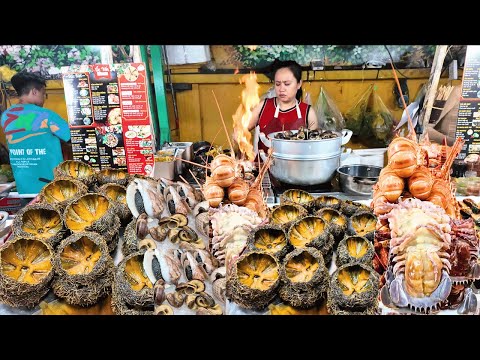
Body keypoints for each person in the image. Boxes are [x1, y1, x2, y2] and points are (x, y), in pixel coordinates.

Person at [0, 72, 71, 194]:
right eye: (43, 94)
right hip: (50, 187)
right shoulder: (46, 115)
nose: (44, 98)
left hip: (23, 186)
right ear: (34, 92)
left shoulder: (6, 116)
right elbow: (73, 138)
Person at [248, 60, 319, 155]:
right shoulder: (263, 106)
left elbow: (312, 147)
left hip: (296, 167)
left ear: (299, 84)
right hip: (264, 167)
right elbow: (242, 130)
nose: (281, 89)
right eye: (277, 84)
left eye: (287, 84)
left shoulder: (308, 112)